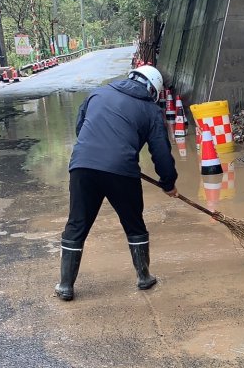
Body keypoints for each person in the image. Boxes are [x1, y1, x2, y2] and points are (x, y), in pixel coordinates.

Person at [54, 64, 179, 301]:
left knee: (77, 223)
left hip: (82, 166)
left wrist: (95, 151)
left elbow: (81, 128)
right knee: (134, 224)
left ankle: (65, 285)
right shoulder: (151, 110)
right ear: (153, 90)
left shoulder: (98, 93)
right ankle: (144, 277)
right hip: (122, 171)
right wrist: (168, 182)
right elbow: (161, 152)